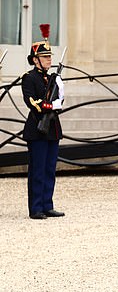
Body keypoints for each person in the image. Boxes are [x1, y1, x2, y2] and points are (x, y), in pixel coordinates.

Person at [22, 25, 65, 220]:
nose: (49, 60)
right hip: (38, 128)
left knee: (49, 169)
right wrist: (51, 106)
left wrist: (59, 95)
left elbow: (60, 101)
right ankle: (36, 208)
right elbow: (32, 102)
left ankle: (47, 204)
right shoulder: (29, 78)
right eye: (45, 57)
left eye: (50, 57)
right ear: (35, 60)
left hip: (53, 129)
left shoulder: (53, 79)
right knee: (37, 170)